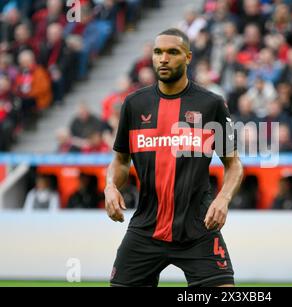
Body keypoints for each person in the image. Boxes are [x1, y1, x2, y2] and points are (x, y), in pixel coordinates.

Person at [104, 28, 243, 287]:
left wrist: (223, 198)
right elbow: (120, 160)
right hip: (146, 229)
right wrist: (110, 185)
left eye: (172, 52)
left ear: (188, 57)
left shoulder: (211, 104)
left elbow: (233, 165)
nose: (163, 59)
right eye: (158, 52)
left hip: (198, 229)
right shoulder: (134, 104)